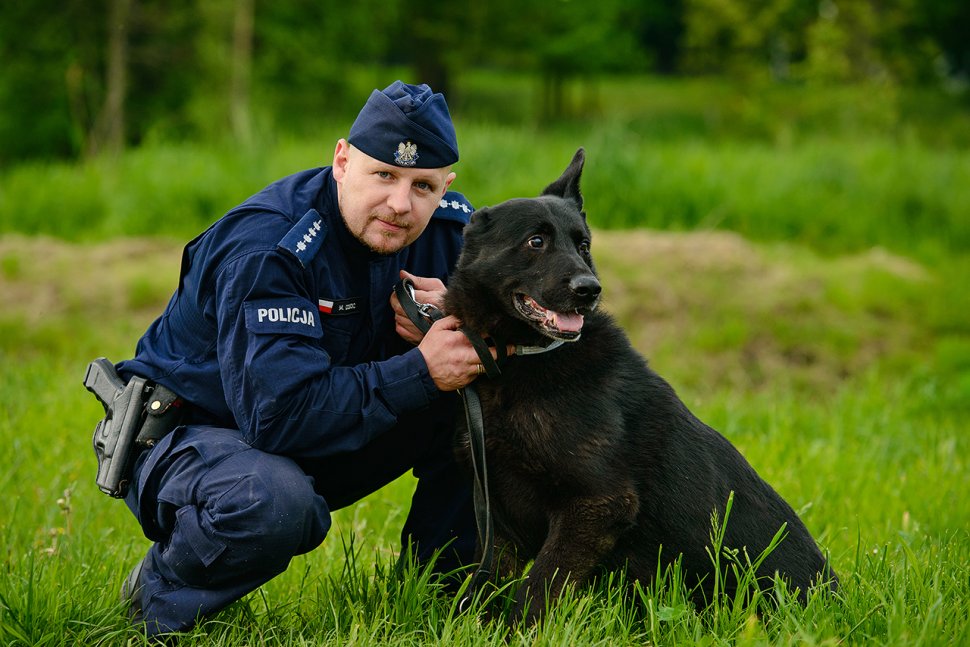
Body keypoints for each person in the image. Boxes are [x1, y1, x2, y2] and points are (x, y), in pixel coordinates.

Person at [103, 81, 492, 637]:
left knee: (495, 407)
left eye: (422, 185)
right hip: (196, 436)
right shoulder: (270, 244)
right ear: (341, 161)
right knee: (272, 503)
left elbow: (536, 336)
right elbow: (280, 416)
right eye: (383, 174)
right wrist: (422, 368)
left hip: (314, 430)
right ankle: (153, 606)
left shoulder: (449, 230)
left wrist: (463, 320)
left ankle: (440, 602)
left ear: (445, 186)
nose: (401, 204)